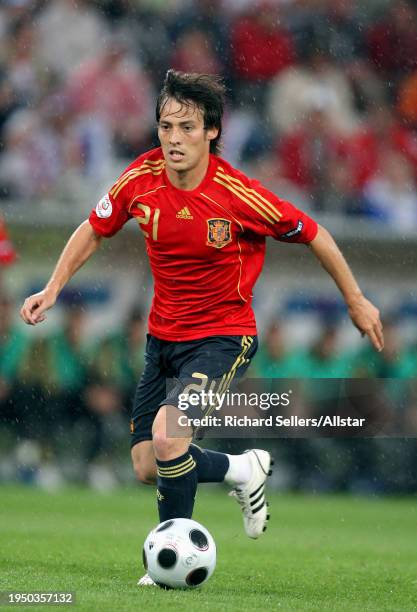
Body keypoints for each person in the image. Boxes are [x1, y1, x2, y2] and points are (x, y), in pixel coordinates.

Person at [20, 69, 384, 586]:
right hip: (161, 340)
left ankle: (168, 562)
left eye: (187, 128)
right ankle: (241, 469)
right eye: (166, 126)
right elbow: (94, 228)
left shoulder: (237, 194)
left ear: (211, 131)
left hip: (222, 337)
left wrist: (356, 299)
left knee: (169, 440)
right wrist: (53, 287)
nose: (173, 139)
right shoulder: (139, 180)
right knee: (149, 464)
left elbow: (315, 233)